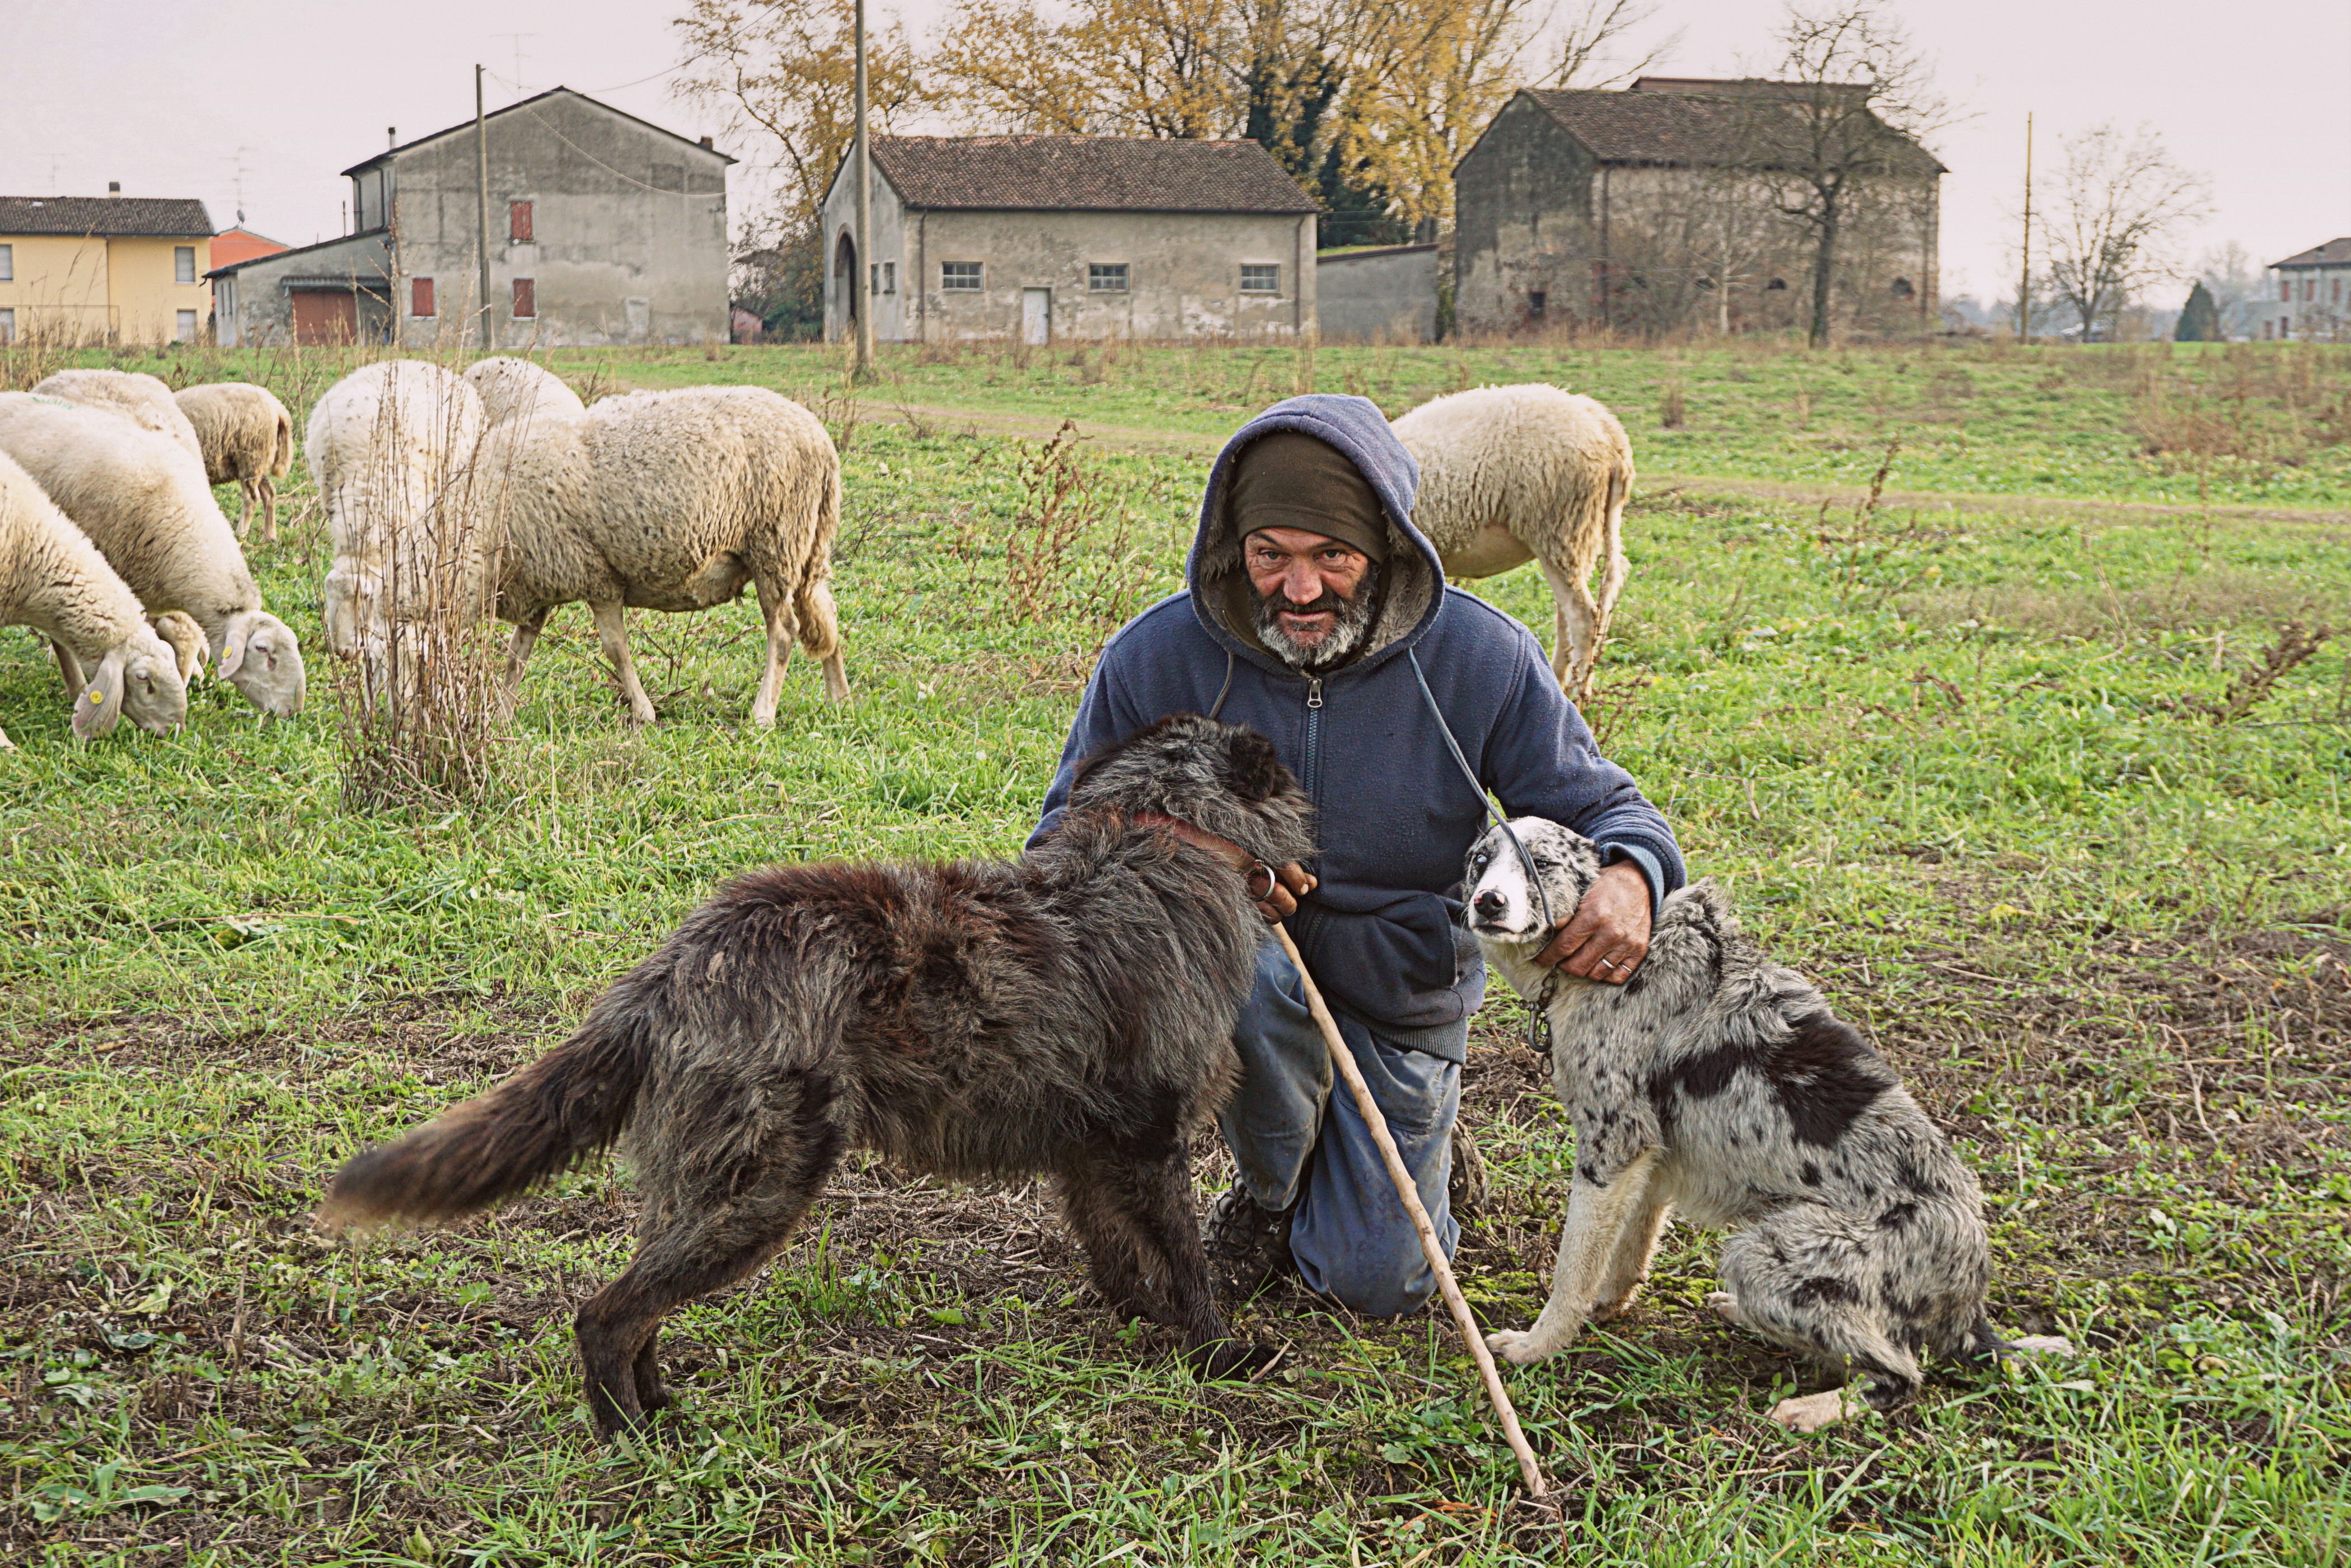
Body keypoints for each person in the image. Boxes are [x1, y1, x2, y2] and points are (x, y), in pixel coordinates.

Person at [1030, 395, 1683, 1317]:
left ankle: (1403, 1146)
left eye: (1332, 556)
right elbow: (1059, 842)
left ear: (1389, 543)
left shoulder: (1480, 656)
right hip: (1242, 989)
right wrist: (1190, 852)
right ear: (1233, 544)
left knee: (1376, 1284)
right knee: (1239, 963)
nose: (1300, 591)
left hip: (1399, 984)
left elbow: (1609, 806)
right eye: (1271, 556)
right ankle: (1269, 1193)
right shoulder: (1158, 655)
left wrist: (1632, 874)